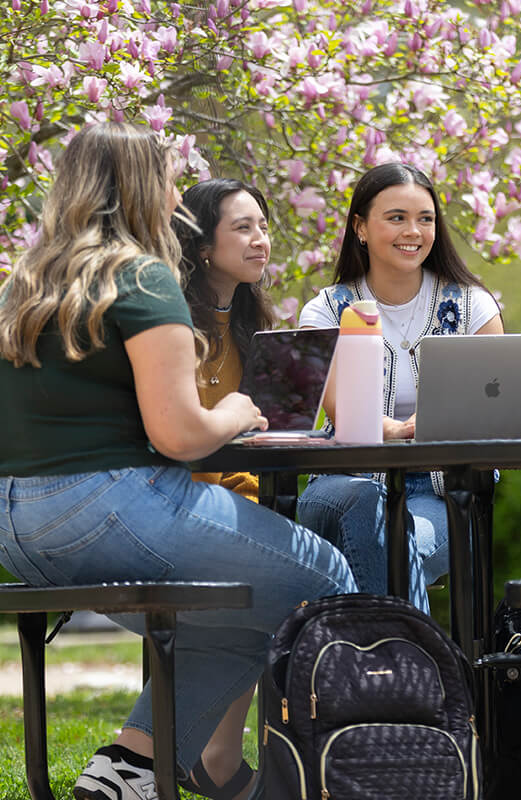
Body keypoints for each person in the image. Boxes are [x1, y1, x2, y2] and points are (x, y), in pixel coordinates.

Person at [0, 122, 357, 800]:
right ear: (138, 186)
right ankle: (332, 779)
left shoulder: (26, 281)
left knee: (237, 614)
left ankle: (128, 771)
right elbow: (181, 435)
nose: (176, 192)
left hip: (17, 528)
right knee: (325, 575)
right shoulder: (140, 274)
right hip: (111, 507)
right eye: (167, 176)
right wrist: (238, 412)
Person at [296, 162, 503, 612]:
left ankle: (376, 674)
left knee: (390, 544)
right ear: (360, 228)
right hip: (341, 485)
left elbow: (496, 412)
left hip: (441, 492)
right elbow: (344, 415)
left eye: (425, 219)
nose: (413, 231)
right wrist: (396, 430)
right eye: (396, 217)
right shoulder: (326, 312)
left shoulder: (473, 308)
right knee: (373, 513)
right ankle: (422, 675)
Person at [175, 178, 276, 503]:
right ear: (203, 246)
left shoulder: (251, 331)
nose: (261, 241)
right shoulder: (172, 331)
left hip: (250, 506)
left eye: (263, 227)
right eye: (243, 228)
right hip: (186, 506)